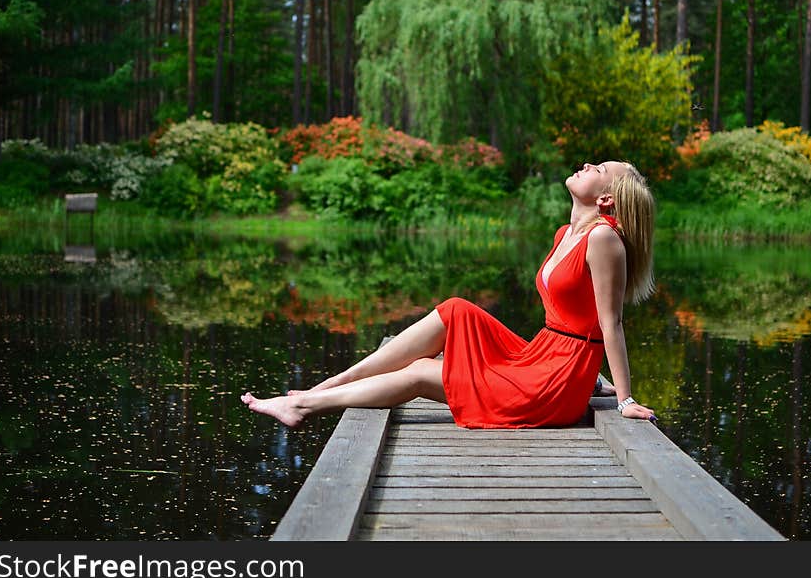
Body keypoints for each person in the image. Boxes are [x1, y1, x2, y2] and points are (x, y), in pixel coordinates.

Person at [241, 160, 656, 428]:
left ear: (606, 198)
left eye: (600, 168)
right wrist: (590, 383)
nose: (587, 164)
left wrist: (624, 400)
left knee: (422, 373)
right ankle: (335, 381)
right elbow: (573, 316)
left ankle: (304, 407)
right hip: (541, 355)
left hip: (553, 382)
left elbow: (610, 324)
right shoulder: (565, 233)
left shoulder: (605, 241)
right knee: (456, 309)